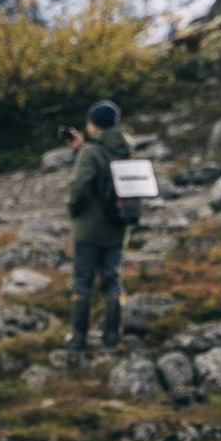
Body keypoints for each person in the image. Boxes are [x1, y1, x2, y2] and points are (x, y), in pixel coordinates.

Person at [64, 100, 132, 351]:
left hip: (89, 229)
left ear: (94, 124)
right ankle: (113, 337)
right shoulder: (124, 147)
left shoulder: (91, 152)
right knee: (112, 281)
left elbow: (80, 186)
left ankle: (79, 338)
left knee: (82, 282)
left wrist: (73, 209)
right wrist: (79, 149)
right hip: (117, 227)